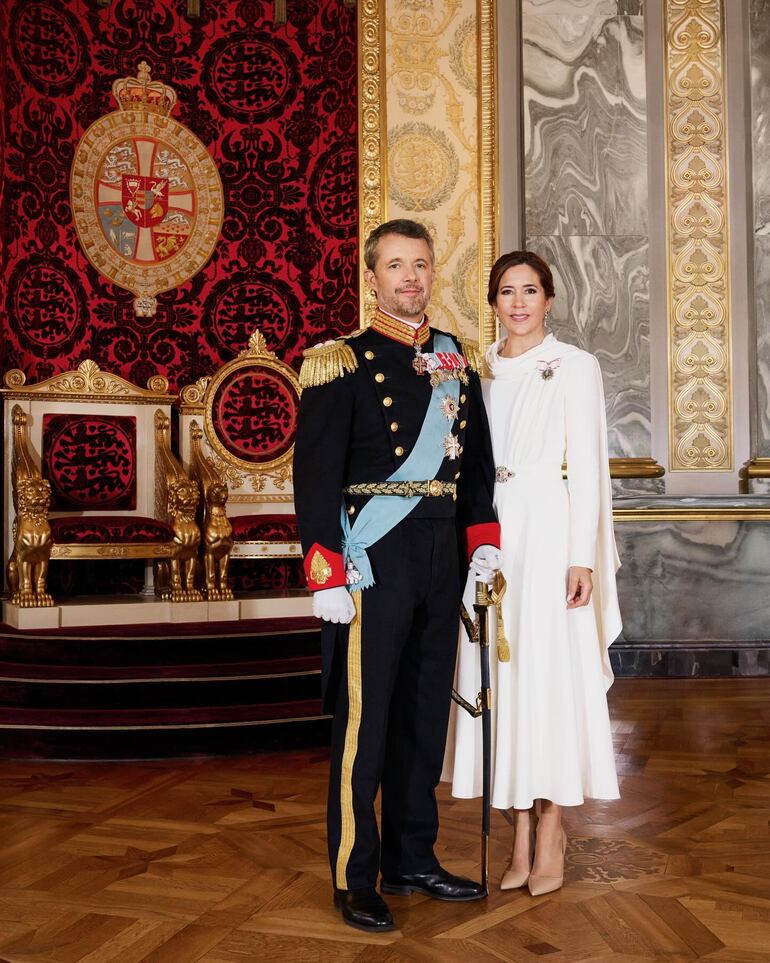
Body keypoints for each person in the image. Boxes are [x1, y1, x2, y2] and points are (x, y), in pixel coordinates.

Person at [293, 219, 502, 933]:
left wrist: (481, 542)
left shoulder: (455, 363)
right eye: (395, 265)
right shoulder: (339, 363)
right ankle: (355, 874)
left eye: (420, 264)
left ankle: (412, 856)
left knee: (421, 717)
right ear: (371, 278)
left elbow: (474, 468)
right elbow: (315, 477)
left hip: (441, 554)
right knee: (366, 720)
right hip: (370, 558)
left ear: (432, 272)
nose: (410, 277)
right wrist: (324, 572)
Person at [445, 250, 621, 897]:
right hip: (492, 534)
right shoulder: (476, 370)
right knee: (502, 682)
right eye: (505, 291)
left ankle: (552, 828)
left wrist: (582, 554)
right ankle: (516, 827)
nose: (517, 302)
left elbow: (591, 468)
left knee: (545, 678)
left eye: (529, 290)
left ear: (549, 299)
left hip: (548, 530)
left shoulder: (574, 367)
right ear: (492, 302)